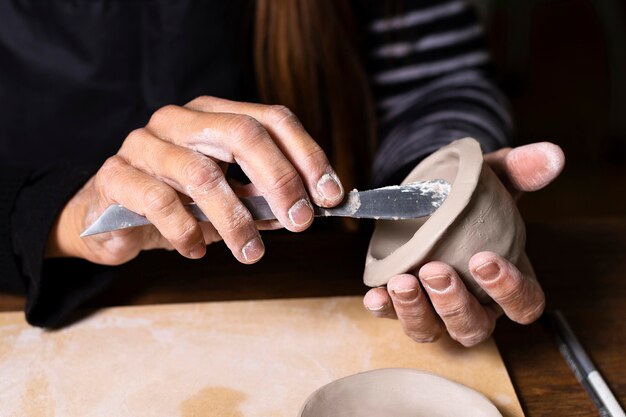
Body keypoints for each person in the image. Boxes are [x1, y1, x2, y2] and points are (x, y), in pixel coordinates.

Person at [0, 0, 564, 346]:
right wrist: (65, 213)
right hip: (47, 296)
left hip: (321, 292)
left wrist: (442, 172)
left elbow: (438, 83)